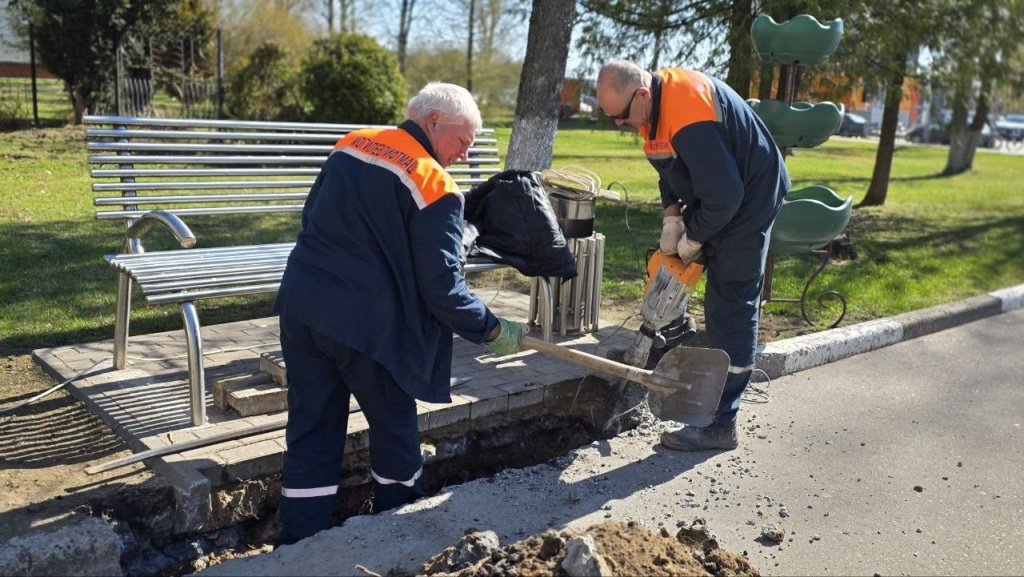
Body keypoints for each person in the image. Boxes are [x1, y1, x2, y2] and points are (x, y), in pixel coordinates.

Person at [272, 82, 526, 546]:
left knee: (311, 427)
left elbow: (315, 219)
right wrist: (491, 329)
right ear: (433, 123)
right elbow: (444, 290)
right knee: (394, 426)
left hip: (303, 308)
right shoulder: (435, 186)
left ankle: (298, 545)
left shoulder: (352, 144)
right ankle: (399, 526)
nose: (465, 156)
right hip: (368, 328)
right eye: (463, 142)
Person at [595, 59, 790, 452]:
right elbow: (667, 169)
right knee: (719, 295)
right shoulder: (651, 110)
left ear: (642, 94)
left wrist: (694, 236)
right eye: (613, 118)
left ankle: (721, 422)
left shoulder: (688, 111)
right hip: (722, 194)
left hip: (748, 200)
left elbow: (726, 196)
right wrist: (672, 217)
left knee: (730, 301)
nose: (620, 125)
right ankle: (700, 374)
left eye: (621, 116)